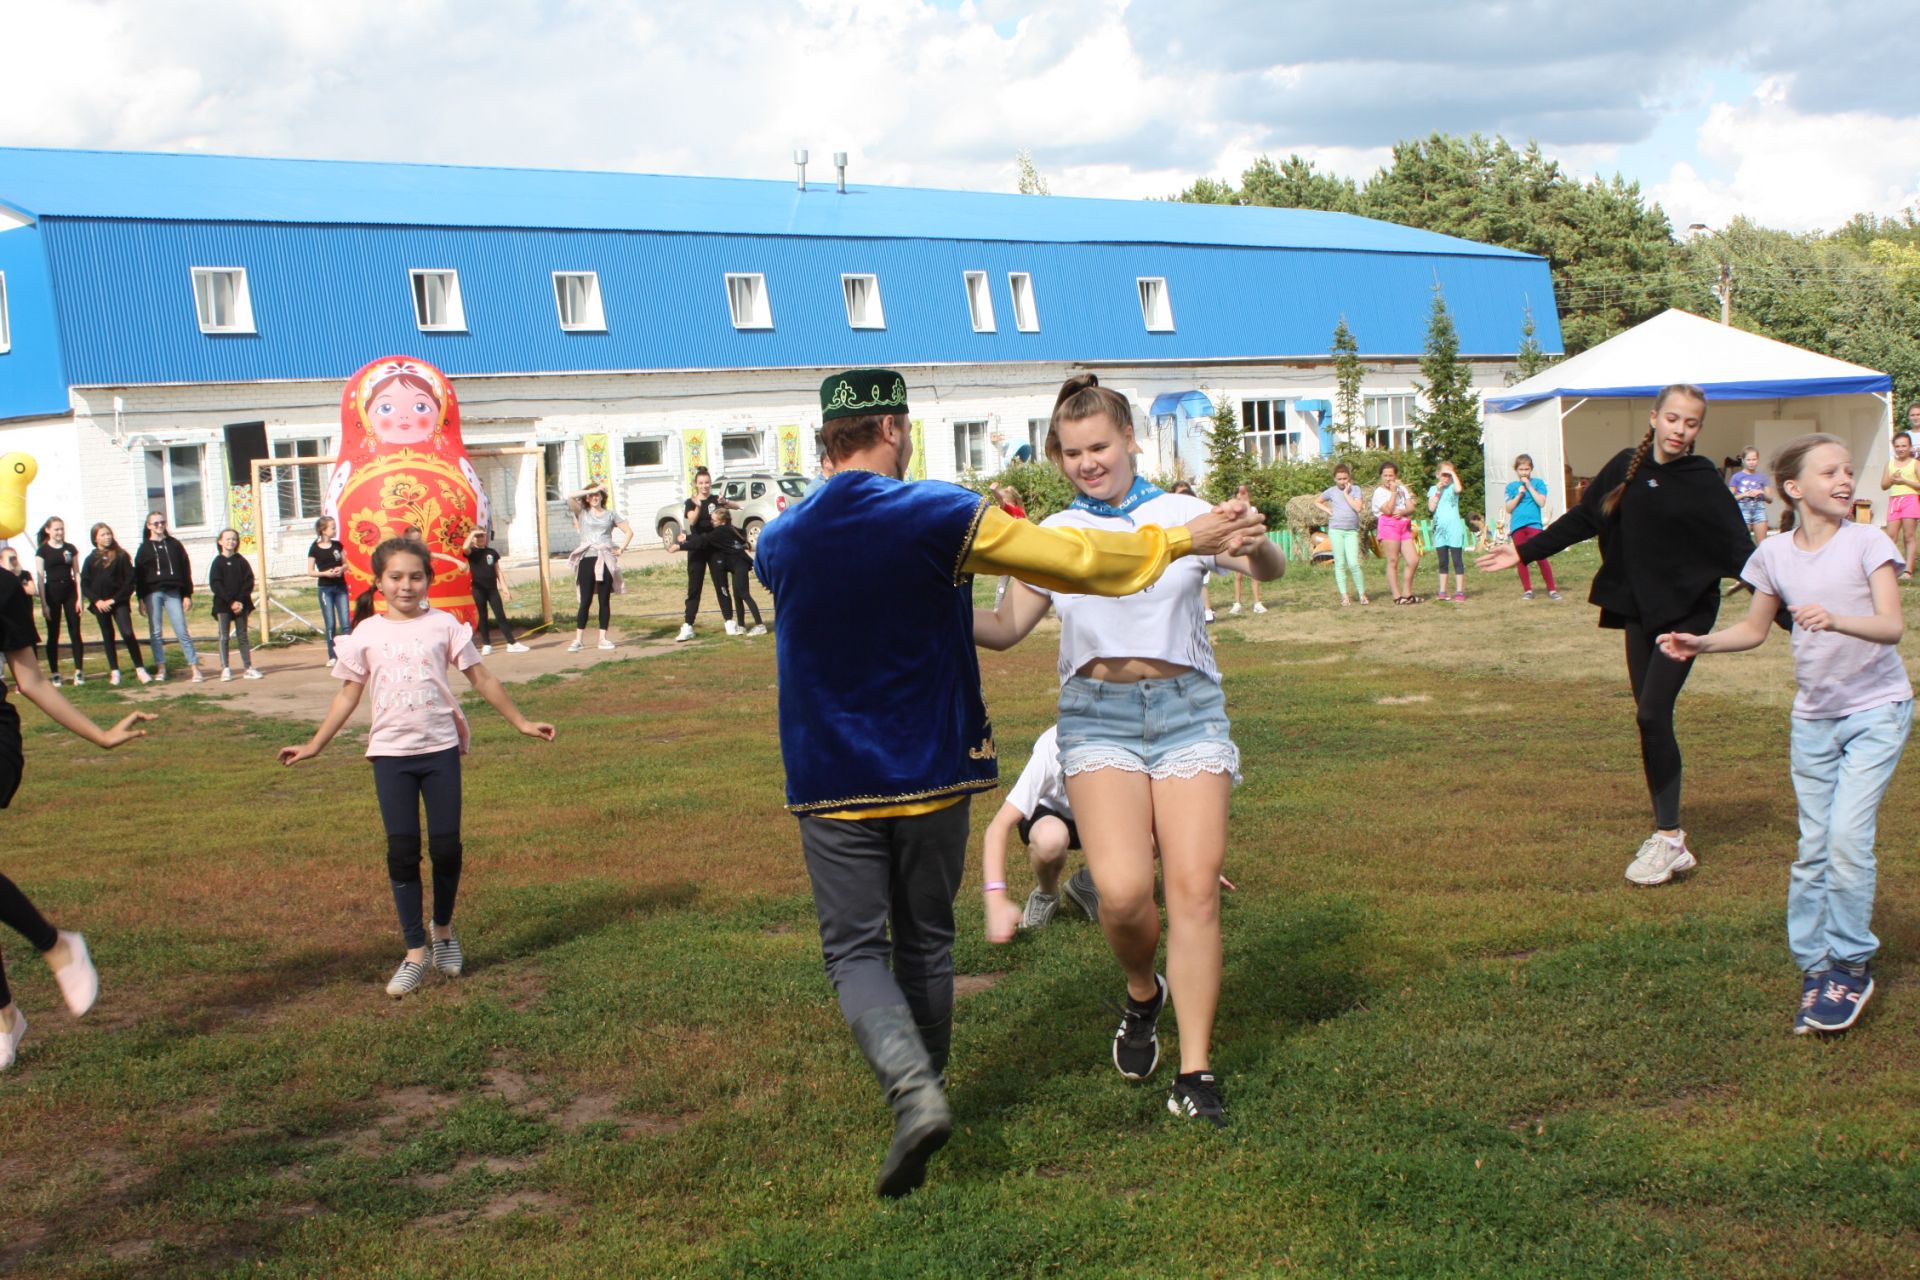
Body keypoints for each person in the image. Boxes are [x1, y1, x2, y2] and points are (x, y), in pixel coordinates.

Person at [754, 368, 1264, 1196]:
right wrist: (1176, 539)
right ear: (893, 430)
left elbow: (819, 602)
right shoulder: (939, 510)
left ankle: (913, 1095)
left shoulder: (776, 538)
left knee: (855, 950)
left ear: (825, 440)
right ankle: (933, 1089)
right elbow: (1069, 558)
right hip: (927, 766)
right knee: (928, 940)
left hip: (828, 776)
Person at [974, 373, 1284, 1128]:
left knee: (1194, 889)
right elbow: (1007, 627)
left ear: (1130, 440)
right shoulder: (1051, 534)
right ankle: (1144, 994)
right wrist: (924, 614)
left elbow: (1267, 570)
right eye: (1072, 451)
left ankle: (1196, 1071)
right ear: (1057, 456)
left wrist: (1258, 539)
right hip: (1096, 717)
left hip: (1188, 712)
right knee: (1119, 895)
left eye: (1099, 446)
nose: (1087, 461)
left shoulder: (1188, 514)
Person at [1657, 434, 1907, 1034]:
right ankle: (1815, 965)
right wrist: (1702, 643)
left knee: (1848, 841)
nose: (1845, 480)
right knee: (1813, 847)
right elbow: (1754, 628)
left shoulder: (1868, 542)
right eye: (1830, 472)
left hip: (1877, 711)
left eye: (1848, 470)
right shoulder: (1772, 555)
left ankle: (1850, 965)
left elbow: (1892, 626)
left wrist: (1836, 619)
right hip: (1813, 721)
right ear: (1794, 489)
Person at [1479, 384, 1753, 886]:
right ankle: (1670, 839)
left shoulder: (1703, 480)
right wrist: (1524, 552)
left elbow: (1741, 550)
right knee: (1650, 720)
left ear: (1698, 430)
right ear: (1655, 417)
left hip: (1687, 613)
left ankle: (1668, 838)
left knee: (1652, 711)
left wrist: (1792, 610)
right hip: (1639, 611)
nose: (1680, 429)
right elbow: (1586, 518)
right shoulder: (1627, 465)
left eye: (1691, 423)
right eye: (1673, 418)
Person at [277, 538, 555, 997]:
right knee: (402, 852)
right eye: (396, 577)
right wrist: (314, 744)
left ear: (428, 579)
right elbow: (347, 694)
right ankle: (413, 952)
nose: (406, 585)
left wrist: (521, 722)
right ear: (379, 582)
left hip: (439, 751)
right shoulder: (366, 632)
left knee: (446, 848)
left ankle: (443, 932)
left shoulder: (444, 625)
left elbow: (480, 676)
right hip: (390, 757)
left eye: (415, 576)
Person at [0, 539, 155, 1069]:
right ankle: (7, 1017)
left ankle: (57, 946)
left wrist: (101, 736)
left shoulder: (2, 588)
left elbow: (31, 680)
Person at [980, 726, 1101, 938]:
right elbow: (997, 827)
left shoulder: (1127, 740)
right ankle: (1046, 893)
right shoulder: (1053, 745)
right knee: (1050, 841)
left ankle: (1091, 882)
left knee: (1150, 837)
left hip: (1097, 817)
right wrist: (996, 898)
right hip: (1051, 815)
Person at [134, 511, 201, 682]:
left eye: (162, 522)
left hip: (173, 591)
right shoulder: (144, 548)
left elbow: (186, 569)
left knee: (181, 630)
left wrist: (187, 594)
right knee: (156, 632)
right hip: (152, 593)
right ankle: (161, 668)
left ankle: (194, 668)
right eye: (155, 523)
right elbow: (139, 576)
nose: (159, 526)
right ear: (148, 526)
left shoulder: (174, 545)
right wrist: (140, 599)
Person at [80, 523, 148, 687]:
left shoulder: (121, 555)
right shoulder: (90, 559)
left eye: (108, 534)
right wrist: (97, 601)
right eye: (103, 535)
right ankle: (115, 671)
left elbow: (129, 580)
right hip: (100, 604)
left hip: (118, 602)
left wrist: (115, 599)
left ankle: (140, 668)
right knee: (107, 635)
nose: (107, 537)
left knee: (127, 632)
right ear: (95, 538)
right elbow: (85, 584)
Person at [566, 484, 631, 652]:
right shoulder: (582, 513)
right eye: (591, 495)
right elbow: (570, 496)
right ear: (587, 497)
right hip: (586, 559)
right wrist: (590, 490)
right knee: (585, 600)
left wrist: (620, 549)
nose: (594, 497)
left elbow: (629, 532)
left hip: (605, 558)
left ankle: (603, 638)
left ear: (603, 496)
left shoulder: (610, 515)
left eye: (598, 495)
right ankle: (578, 639)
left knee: (604, 600)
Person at [674, 470, 734, 641]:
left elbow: (732, 510)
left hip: (715, 548)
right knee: (694, 587)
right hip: (697, 548)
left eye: (707, 482)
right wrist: (699, 505)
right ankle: (688, 625)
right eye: (701, 483)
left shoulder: (716, 500)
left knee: (721, 585)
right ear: (696, 484)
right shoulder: (690, 502)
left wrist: (726, 502)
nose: (704, 486)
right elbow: (692, 521)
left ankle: (729, 621)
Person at [461, 527, 528, 656]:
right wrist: (472, 534)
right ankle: (486, 644)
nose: (481, 538)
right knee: (483, 616)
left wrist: (505, 588)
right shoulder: (472, 552)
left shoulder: (491, 552)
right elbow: (464, 548)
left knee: (500, 615)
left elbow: (498, 571)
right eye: (478, 536)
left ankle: (511, 643)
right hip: (478, 589)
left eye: (482, 536)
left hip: (492, 589)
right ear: (473, 538)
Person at [33, 518, 84, 685]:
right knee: (53, 633)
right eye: (56, 529)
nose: (60, 532)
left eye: (62, 529)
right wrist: (44, 603)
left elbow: (77, 573)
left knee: (75, 631)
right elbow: (40, 579)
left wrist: (79, 598)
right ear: (48, 530)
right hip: (52, 591)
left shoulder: (70, 549)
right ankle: (55, 673)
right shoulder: (43, 551)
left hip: (69, 590)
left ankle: (79, 672)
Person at [1503, 454, 1561, 601]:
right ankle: (1528, 590)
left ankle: (1552, 589)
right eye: (1521, 469)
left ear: (1531, 469)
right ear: (1516, 470)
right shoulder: (1511, 487)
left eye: (1527, 469)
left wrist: (1529, 486)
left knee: (1541, 556)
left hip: (1534, 525)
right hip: (1517, 526)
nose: (1524, 472)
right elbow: (1508, 509)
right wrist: (1518, 495)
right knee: (1522, 558)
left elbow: (1541, 502)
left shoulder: (1539, 483)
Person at [208, 528, 262, 681]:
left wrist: (239, 600)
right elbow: (216, 584)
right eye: (227, 539)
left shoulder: (241, 561)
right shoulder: (217, 562)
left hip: (241, 604)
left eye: (234, 539)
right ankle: (225, 668)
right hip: (223, 604)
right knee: (224, 636)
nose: (231, 542)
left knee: (242, 635)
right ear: (220, 542)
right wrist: (230, 601)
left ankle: (248, 667)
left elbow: (248, 582)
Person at [1314, 463, 1369, 606]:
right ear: (1334, 479)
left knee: (1354, 563)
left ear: (1349, 478)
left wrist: (1346, 494)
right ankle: (1344, 596)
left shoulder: (1355, 490)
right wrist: (1327, 510)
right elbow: (1318, 501)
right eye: (1339, 479)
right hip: (1336, 530)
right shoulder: (1331, 491)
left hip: (1351, 531)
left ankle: (1362, 594)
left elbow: (1358, 507)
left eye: (1345, 478)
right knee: (1339, 563)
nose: (1342, 481)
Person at [708, 508, 766, 636]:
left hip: (741, 564)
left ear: (722, 522)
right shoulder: (729, 529)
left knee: (744, 594)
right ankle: (741, 625)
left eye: (713, 520)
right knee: (737, 596)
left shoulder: (725, 530)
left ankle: (760, 625)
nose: (711, 522)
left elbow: (705, 539)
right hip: (735, 566)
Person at [1373, 463, 1420, 604]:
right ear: (1381, 476)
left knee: (1413, 560)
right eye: (1385, 475)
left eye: (1391, 475)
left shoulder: (1402, 489)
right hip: (1388, 525)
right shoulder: (1379, 492)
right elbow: (1387, 510)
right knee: (1393, 560)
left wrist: (1403, 511)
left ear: (1396, 476)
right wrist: (1393, 493)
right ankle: (1397, 596)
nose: (1388, 478)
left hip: (1403, 525)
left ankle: (1407, 593)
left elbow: (1411, 507)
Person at [308, 517, 352, 667]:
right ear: (323, 530)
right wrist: (326, 573)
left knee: (345, 622)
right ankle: (332, 656)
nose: (335, 530)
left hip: (340, 587)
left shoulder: (338, 545)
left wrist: (341, 569)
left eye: (335, 527)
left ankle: (347, 654)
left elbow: (346, 564)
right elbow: (310, 571)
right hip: (325, 589)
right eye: (332, 528)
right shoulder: (314, 548)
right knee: (330, 623)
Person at [1877, 431, 1918, 582]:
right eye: (1897, 446)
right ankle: (1890, 567)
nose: (1900, 449)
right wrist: (1893, 480)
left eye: (1904, 446)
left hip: (1910, 499)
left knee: (1909, 536)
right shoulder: (1890, 463)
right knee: (1891, 536)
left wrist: (1905, 481)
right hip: (1894, 501)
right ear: (1893, 447)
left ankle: (1908, 570)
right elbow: (1883, 485)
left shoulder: (1915, 464)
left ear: (1909, 447)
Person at [1729, 446, 1774, 544]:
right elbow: (1729, 499)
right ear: (1743, 460)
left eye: (1754, 459)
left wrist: (1761, 492)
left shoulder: (1763, 477)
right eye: (1748, 460)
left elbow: (1770, 499)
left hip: (1759, 510)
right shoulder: (1736, 477)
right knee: (1743, 543)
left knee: (1762, 544)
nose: (1752, 462)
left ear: (1758, 460)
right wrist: (1744, 494)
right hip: (1743, 510)